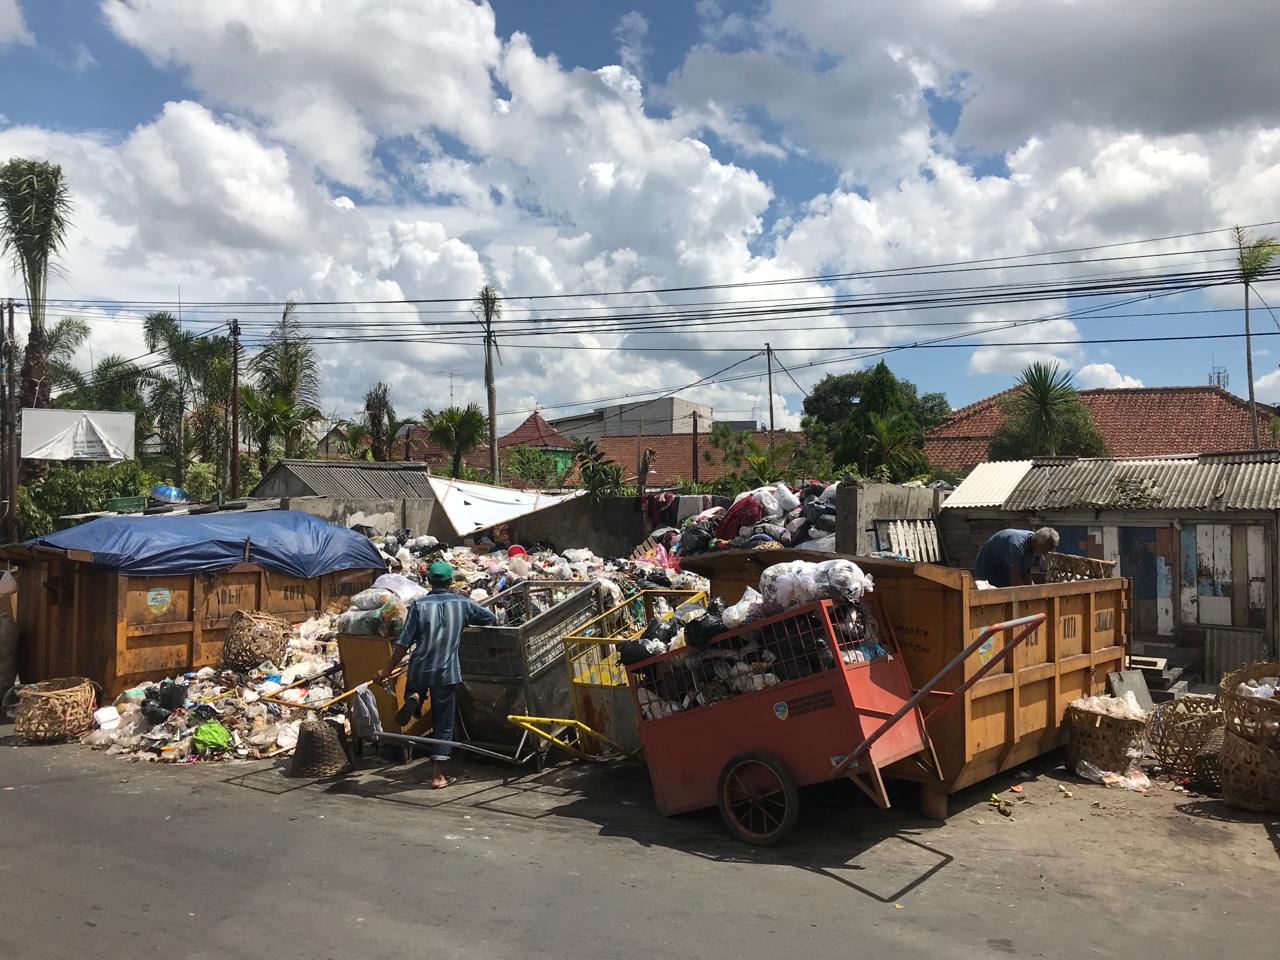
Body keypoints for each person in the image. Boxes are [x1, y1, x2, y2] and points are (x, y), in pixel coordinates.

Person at [373, 561, 496, 788]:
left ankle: (415, 697)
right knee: (443, 722)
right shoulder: (463, 604)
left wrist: (386, 670)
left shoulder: (419, 605)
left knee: (415, 685)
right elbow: (490, 618)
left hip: (420, 667)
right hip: (446, 672)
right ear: (450, 582)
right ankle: (438, 775)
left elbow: (403, 642)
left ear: (429, 581)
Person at [972, 527, 1059, 588]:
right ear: (1035, 542)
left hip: (1006, 575)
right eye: (1045, 550)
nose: (1045, 554)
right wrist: (1025, 596)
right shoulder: (1016, 544)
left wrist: (1033, 591)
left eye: (1047, 551)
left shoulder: (1038, 549)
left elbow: (1026, 573)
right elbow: (1014, 576)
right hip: (988, 574)